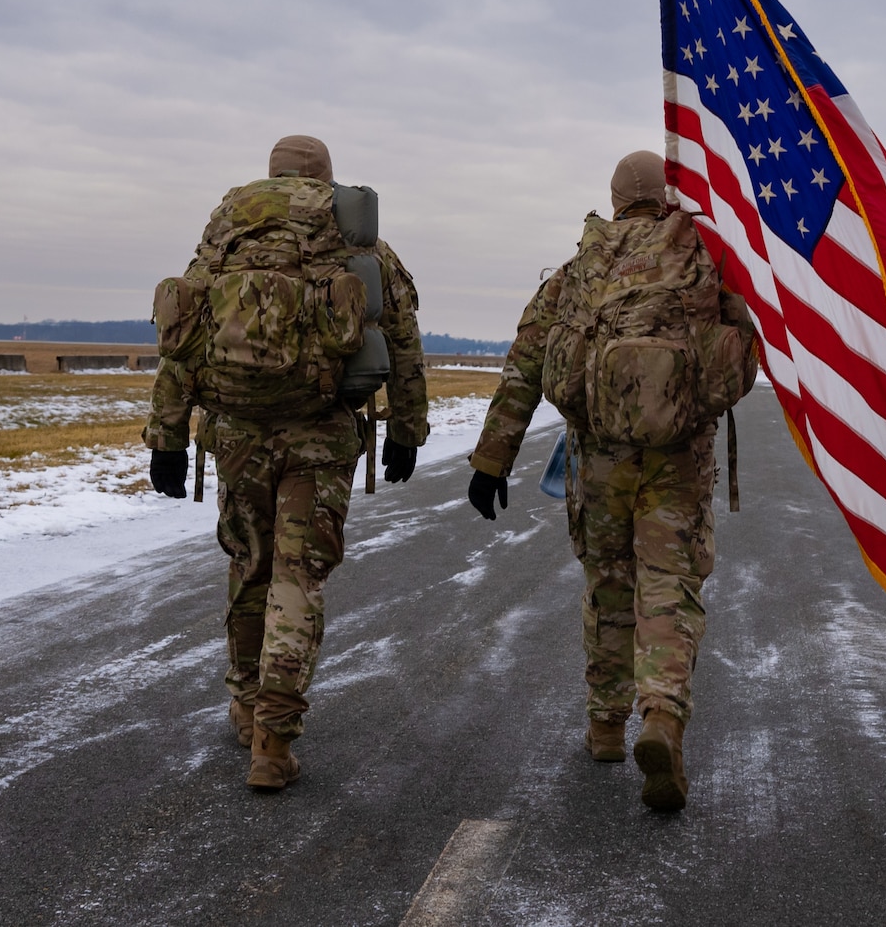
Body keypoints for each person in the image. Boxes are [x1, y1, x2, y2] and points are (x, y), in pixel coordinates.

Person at [464, 151, 757, 812]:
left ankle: (605, 726)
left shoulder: (578, 271)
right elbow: (742, 348)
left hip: (597, 461)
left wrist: (492, 459)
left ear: (616, 198)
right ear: (666, 195)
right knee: (668, 586)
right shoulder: (703, 263)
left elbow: (524, 365)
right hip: (680, 458)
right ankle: (662, 713)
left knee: (608, 585)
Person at [143, 135, 427, 791]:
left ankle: (244, 703)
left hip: (237, 432)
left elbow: (181, 328)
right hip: (321, 434)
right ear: (326, 178)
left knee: (250, 563)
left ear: (270, 177)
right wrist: (408, 426)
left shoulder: (227, 231)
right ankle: (274, 735)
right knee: (299, 576)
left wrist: (167, 434)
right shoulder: (357, 241)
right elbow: (402, 336)